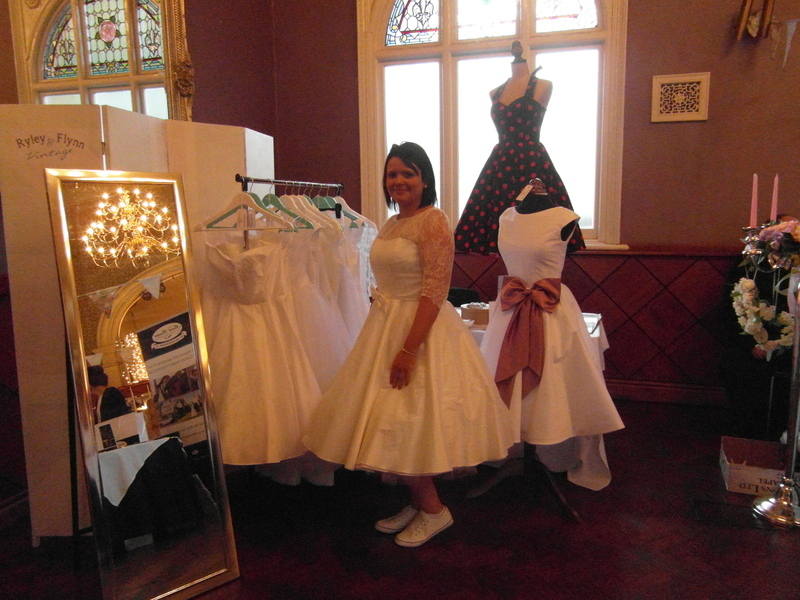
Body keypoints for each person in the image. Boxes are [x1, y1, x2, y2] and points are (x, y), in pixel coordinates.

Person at [303, 142, 515, 547]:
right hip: (384, 325)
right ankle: (420, 503)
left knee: (408, 420)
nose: (398, 181)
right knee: (392, 422)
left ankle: (434, 510)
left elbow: (434, 293)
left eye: (408, 173)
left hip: (420, 330)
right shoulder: (392, 224)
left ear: (425, 179)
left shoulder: (433, 221)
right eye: (392, 174)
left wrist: (408, 349)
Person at [454, 44, 585, 255]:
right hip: (500, 167)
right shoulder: (495, 92)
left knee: (537, 226)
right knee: (500, 229)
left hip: (532, 165)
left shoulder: (543, 85)